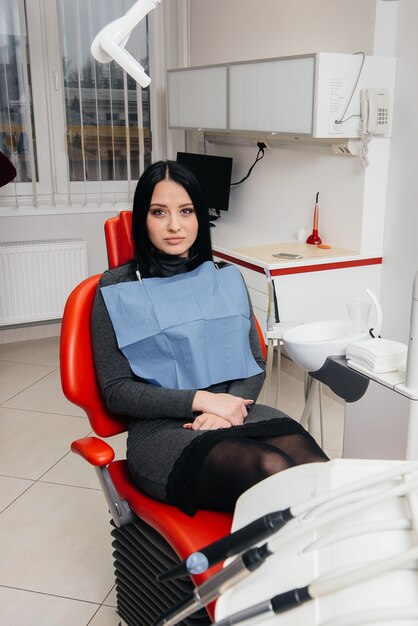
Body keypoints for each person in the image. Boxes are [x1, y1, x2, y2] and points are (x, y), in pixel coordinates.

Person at [92, 160, 328, 516]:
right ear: (143, 217)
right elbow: (116, 390)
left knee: (317, 473)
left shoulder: (225, 277)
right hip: (163, 431)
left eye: (186, 211)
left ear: (200, 216)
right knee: (270, 467)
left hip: (236, 411)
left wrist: (228, 407)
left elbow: (254, 363)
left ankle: (328, 569)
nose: (174, 225)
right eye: (159, 212)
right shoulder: (117, 288)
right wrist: (203, 401)